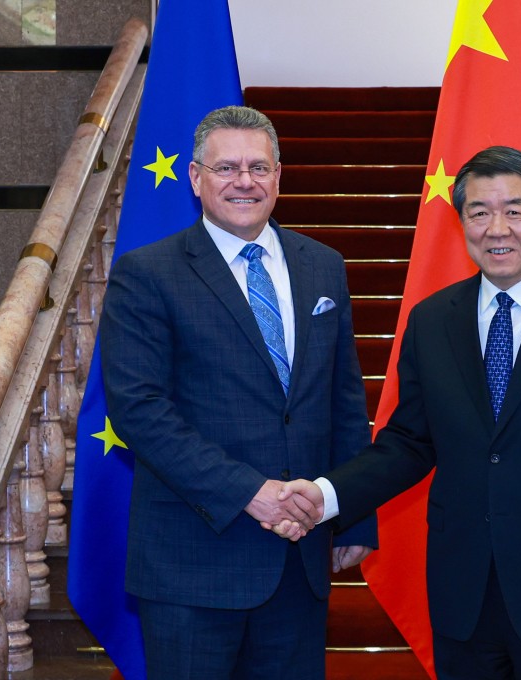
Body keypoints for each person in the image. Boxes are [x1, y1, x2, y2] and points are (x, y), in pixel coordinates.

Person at [276, 146, 521, 679]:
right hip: (464, 594)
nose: (497, 228)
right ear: (461, 222)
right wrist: (328, 495)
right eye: (479, 212)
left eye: (514, 210)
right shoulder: (433, 320)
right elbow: (409, 442)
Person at [100, 105, 377, 679]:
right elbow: (140, 411)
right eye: (226, 168)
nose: (244, 181)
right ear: (196, 178)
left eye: (258, 167)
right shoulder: (147, 273)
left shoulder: (323, 266)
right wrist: (252, 492)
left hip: (300, 557)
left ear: (279, 176)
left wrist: (349, 513)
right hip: (193, 562)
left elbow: (343, 400)